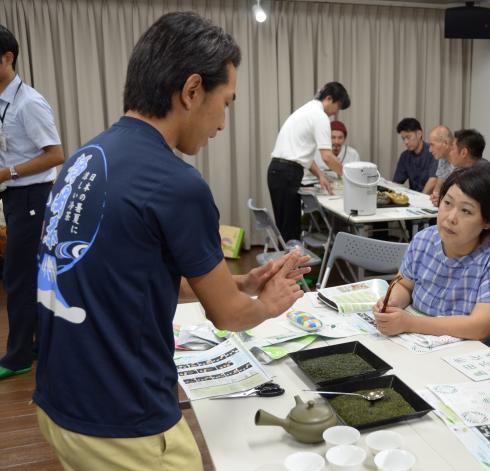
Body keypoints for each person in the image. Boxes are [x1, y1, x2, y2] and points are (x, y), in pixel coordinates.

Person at [34, 12, 308, 469]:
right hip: (124, 424)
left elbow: (128, 279)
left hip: (60, 405)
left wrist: (237, 283)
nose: (222, 123)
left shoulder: (87, 157)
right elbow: (229, 318)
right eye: (227, 101)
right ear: (192, 90)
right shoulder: (177, 184)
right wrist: (269, 303)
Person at [373, 166, 490, 358]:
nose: (451, 217)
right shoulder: (425, 239)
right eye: (447, 203)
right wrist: (391, 305)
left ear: (487, 222)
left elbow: (479, 327)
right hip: (424, 346)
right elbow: (404, 285)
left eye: (466, 211)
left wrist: (408, 323)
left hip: (484, 359)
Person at [0, 25, 64, 380]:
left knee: (18, 278)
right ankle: (36, 344)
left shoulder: (29, 102)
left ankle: (19, 356)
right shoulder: (4, 100)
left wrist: (7, 172)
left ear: (8, 58)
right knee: (29, 275)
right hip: (17, 196)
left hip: (32, 197)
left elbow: (56, 154)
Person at [268, 82, 351, 241]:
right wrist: (348, 176)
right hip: (287, 174)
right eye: (338, 106)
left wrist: (320, 175)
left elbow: (301, 154)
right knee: (291, 232)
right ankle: (290, 265)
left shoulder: (306, 110)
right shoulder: (319, 116)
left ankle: (286, 264)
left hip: (277, 171)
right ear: (329, 98)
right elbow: (327, 157)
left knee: (286, 228)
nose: (337, 112)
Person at [392, 118, 437, 194]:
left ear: (419, 134)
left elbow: (433, 180)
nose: (406, 142)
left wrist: (420, 199)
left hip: (430, 199)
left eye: (408, 137)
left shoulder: (433, 152)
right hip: (414, 197)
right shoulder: (405, 156)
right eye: (403, 138)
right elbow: (397, 182)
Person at [427, 125, 455, 205]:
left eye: (432, 145)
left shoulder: (460, 161)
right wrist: (435, 197)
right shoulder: (443, 158)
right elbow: (438, 189)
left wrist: (442, 199)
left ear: (445, 143)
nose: (429, 150)